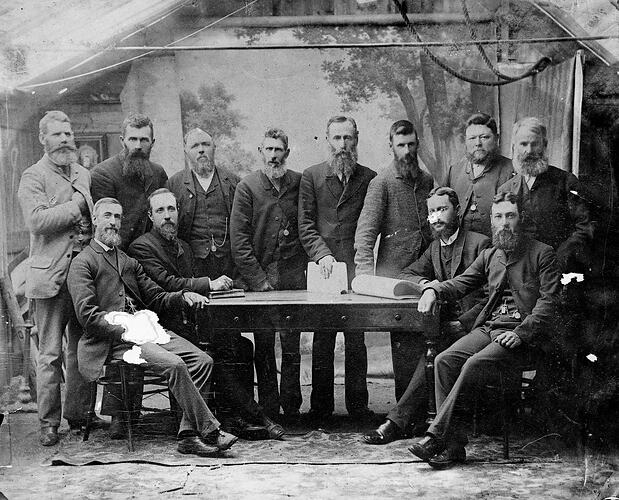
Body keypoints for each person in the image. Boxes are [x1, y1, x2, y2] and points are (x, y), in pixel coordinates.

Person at [67, 197, 238, 457]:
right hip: (114, 341)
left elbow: (156, 296)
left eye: (117, 217)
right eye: (107, 216)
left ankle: (188, 435)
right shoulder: (83, 262)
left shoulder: (126, 261)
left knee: (203, 360)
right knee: (175, 364)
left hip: (147, 331)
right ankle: (211, 431)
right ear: (94, 220)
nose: (113, 222)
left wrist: (182, 296)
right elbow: (88, 317)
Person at [409, 191, 560, 469]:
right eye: (498, 216)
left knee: (473, 364)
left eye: (510, 216)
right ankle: (454, 447)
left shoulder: (542, 253)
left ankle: (436, 437)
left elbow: (549, 303)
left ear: (521, 219)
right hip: (490, 328)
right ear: (491, 220)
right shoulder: (491, 255)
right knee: (444, 361)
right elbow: (460, 283)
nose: (504, 223)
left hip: (521, 335)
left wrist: (521, 333)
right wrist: (432, 288)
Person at [127, 188, 284, 439]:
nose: (167, 216)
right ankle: (256, 416)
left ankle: (234, 418)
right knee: (218, 357)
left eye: (171, 209)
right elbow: (167, 283)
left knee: (241, 346)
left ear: (178, 213)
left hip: (191, 323)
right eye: (160, 211)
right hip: (166, 325)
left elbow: (189, 283)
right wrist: (208, 283)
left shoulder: (185, 248)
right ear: (150, 216)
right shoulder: (142, 247)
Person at [363, 187, 490, 444]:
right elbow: (406, 273)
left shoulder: (479, 244)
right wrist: (427, 284)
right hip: (446, 327)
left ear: (457, 211)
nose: (436, 217)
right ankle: (412, 419)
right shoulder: (434, 248)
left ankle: (396, 422)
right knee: (420, 348)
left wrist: (463, 322)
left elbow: (491, 297)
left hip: (475, 326)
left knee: (432, 352)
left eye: (442, 209)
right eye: (432, 211)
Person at [17, 110, 94, 446]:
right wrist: (76, 206)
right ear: (42, 139)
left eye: (68, 133)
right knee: (50, 353)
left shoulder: (82, 172)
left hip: (81, 275)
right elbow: (37, 222)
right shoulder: (32, 176)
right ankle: (49, 422)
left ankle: (79, 417)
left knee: (80, 350)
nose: (65, 140)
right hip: (49, 276)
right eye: (57, 134)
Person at [298, 115, 377, 421]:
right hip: (325, 268)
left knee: (356, 338)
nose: (343, 145)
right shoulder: (312, 176)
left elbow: (370, 225)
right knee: (323, 337)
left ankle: (358, 407)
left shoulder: (369, 178)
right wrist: (323, 256)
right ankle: (320, 408)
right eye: (337, 138)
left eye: (348, 138)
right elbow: (305, 224)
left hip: (357, 269)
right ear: (327, 140)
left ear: (356, 139)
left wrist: (364, 262)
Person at [231, 128, 308, 421]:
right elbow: (238, 239)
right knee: (264, 344)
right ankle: (268, 408)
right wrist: (258, 279)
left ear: (286, 153)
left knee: (291, 344)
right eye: (269, 150)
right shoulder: (247, 186)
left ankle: (292, 406)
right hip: (261, 278)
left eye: (279, 150)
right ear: (260, 152)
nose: (274, 156)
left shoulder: (299, 183)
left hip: (293, 278)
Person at [354, 119, 434, 400]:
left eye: (411, 144)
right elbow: (365, 234)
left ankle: (424, 408)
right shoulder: (381, 182)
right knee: (403, 347)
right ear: (391, 147)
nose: (407, 150)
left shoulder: (426, 181)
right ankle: (404, 411)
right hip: (395, 280)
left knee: (428, 343)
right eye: (401, 145)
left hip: (425, 274)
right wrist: (364, 280)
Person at [498, 116, 592, 272]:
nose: (529, 151)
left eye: (534, 144)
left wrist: (561, 257)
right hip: (521, 273)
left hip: (560, 269)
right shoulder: (505, 189)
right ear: (514, 147)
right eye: (523, 144)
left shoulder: (565, 182)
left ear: (545, 145)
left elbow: (584, 227)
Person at [167, 128, 239, 281]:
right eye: (195, 146)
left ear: (214, 148)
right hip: (192, 266)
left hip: (230, 264)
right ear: (186, 152)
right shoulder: (174, 184)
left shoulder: (234, 182)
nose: (201, 150)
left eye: (206, 144)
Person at [90, 113, 168, 250]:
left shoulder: (158, 172)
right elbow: (105, 228)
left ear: (152, 143)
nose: (138, 146)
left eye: (144, 140)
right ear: (122, 141)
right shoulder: (103, 174)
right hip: (119, 254)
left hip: (152, 252)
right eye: (132, 139)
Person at [443, 113, 514, 238]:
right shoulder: (454, 171)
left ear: (496, 138)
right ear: (465, 141)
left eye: (484, 137)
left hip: (494, 248)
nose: (478, 143)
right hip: (460, 249)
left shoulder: (511, 170)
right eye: (472, 138)